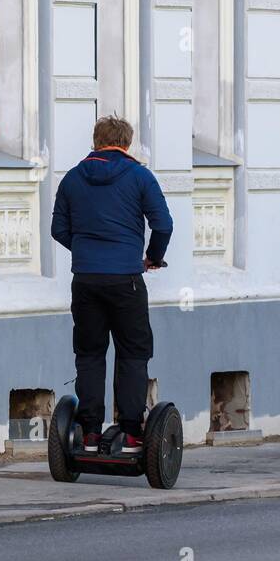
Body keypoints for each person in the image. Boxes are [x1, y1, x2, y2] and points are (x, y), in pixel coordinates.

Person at [51, 116, 172, 454]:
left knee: (89, 354)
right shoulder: (140, 177)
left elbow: (58, 229)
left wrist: (88, 250)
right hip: (126, 280)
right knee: (133, 353)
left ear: (96, 140)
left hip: (86, 280)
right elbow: (163, 224)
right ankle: (131, 433)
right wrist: (152, 257)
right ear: (127, 142)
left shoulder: (73, 179)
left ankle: (88, 432)